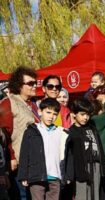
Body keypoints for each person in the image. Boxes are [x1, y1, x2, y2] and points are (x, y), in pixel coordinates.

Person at [0, 66, 40, 200]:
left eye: (35, 82)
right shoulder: (8, 103)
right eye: (30, 83)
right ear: (19, 85)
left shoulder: (34, 105)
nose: (34, 86)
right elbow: (4, 134)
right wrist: (11, 156)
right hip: (18, 163)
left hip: (35, 162)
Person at [18, 98, 68, 200]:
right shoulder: (31, 131)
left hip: (55, 176)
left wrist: (67, 175)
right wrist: (23, 175)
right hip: (36, 176)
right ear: (40, 112)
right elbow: (24, 153)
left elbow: (66, 154)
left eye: (55, 114)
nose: (51, 116)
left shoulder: (61, 132)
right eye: (48, 112)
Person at [64, 99, 105, 200]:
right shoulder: (72, 132)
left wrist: (103, 167)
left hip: (96, 166)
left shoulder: (92, 128)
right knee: (82, 195)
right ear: (74, 114)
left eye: (88, 114)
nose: (86, 117)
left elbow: (99, 147)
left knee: (95, 195)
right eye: (82, 114)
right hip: (81, 168)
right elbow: (70, 155)